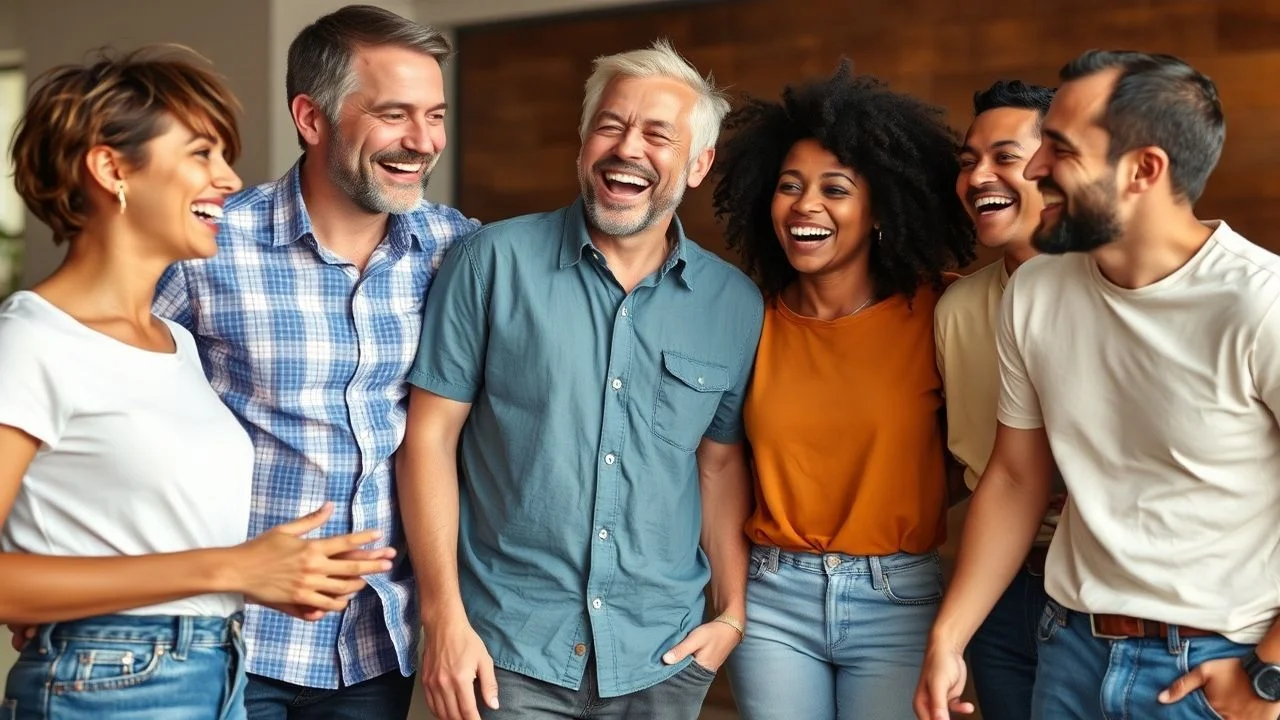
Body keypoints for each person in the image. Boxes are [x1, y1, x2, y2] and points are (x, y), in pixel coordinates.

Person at [0, 46, 391, 720]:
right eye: (201, 155)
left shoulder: (173, 341)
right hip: (107, 685)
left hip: (217, 671)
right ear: (111, 167)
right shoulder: (31, 340)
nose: (229, 178)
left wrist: (263, 578)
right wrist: (232, 569)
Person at [397, 39, 761, 720]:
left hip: (663, 657)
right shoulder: (489, 263)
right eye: (611, 125)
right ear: (583, 141)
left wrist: (732, 615)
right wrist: (443, 617)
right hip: (504, 652)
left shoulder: (734, 305)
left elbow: (717, 466)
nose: (627, 148)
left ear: (699, 162)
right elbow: (428, 441)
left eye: (658, 134)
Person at [914, 50, 1280, 720]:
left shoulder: (1262, 304)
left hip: (1214, 668)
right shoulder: (1035, 293)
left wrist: (1268, 675)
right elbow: (1016, 478)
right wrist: (949, 634)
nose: (1033, 169)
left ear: (1144, 170)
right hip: (1070, 649)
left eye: (1059, 147)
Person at [150, 7, 478, 719]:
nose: (423, 142)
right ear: (311, 117)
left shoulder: (457, 249)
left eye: (435, 115)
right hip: (234, 639)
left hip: (376, 642)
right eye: (394, 115)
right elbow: (107, 407)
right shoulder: (209, 244)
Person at [712, 61, 975, 720]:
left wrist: (898, 498)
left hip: (900, 595)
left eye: (836, 189)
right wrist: (732, 602)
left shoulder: (941, 311)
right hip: (772, 595)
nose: (805, 206)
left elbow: (983, 459)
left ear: (880, 207)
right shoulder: (747, 317)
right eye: (789, 186)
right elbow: (719, 463)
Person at [933, 79, 1060, 720]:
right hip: (999, 587)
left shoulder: (1120, 290)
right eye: (967, 162)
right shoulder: (956, 308)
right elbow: (973, 466)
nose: (979, 175)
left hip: (1104, 586)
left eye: (1005, 157)